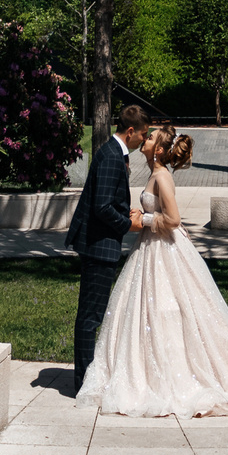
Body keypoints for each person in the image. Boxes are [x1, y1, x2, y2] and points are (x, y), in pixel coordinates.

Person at [75, 123, 228, 417]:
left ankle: (173, 377)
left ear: (161, 150)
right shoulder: (155, 174)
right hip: (150, 248)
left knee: (167, 306)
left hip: (163, 247)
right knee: (146, 309)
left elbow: (174, 219)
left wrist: (146, 220)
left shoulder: (162, 176)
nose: (145, 139)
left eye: (150, 138)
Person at [66, 105, 151, 390]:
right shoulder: (112, 157)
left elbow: (107, 202)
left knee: (92, 316)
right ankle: (82, 383)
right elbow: (101, 207)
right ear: (130, 132)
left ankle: (86, 378)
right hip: (98, 247)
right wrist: (128, 225)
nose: (143, 140)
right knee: (90, 318)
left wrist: (125, 214)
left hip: (100, 244)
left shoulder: (113, 153)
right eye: (143, 134)